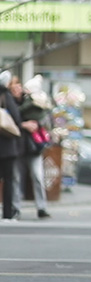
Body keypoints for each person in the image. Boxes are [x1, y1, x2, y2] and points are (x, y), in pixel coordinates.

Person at [10, 74, 50, 219]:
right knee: (16, 178)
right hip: (17, 145)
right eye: (13, 86)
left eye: (18, 85)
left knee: (37, 176)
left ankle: (42, 207)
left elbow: (43, 116)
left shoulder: (32, 100)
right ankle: (16, 208)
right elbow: (8, 122)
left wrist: (36, 124)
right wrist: (23, 125)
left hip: (33, 146)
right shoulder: (8, 102)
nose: (17, 89)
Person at [0, 71, 23, 221]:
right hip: (7, 149)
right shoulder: (6, 97)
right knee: (8, 181)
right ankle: (7, 212)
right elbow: (16, 119)